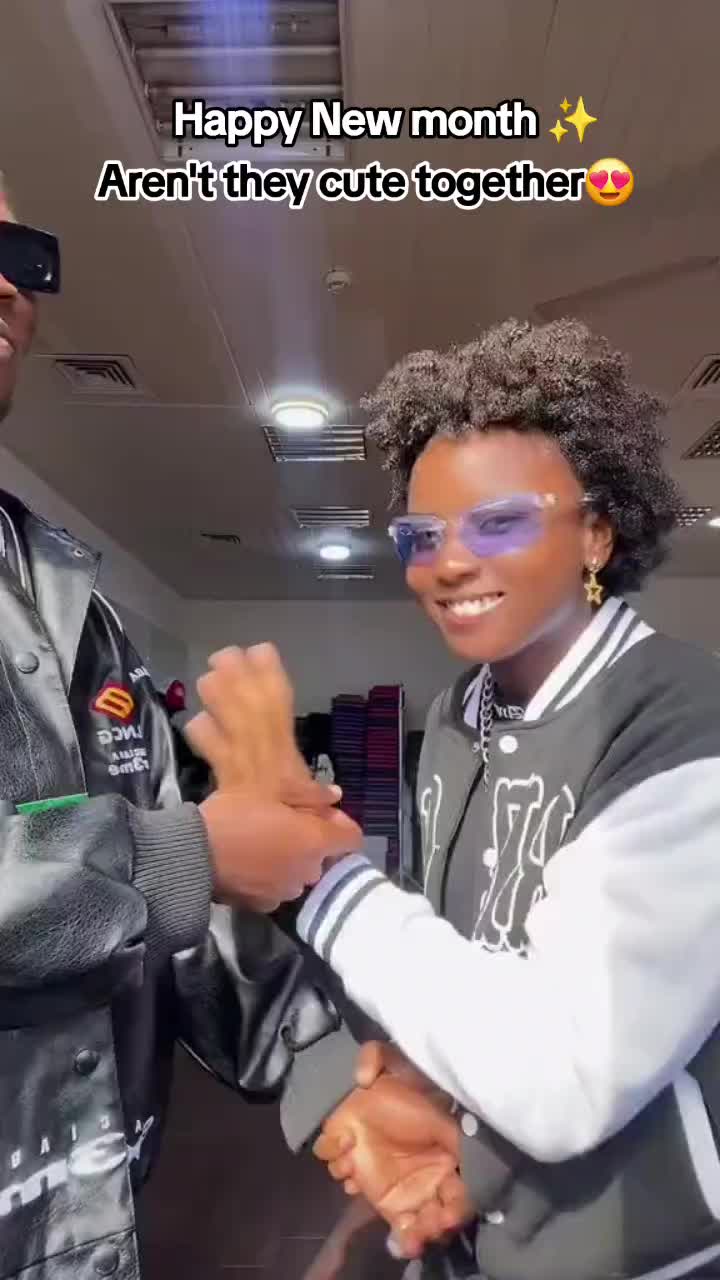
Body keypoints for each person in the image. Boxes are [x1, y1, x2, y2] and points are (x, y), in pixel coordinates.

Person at [196, 320, 720, 1280]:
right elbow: (451, 952)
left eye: (499, 522)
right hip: (479, 1233)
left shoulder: (686, 718)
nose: (445, 564)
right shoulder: (455, 715)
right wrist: (406, 1094)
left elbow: (565, 1074)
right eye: (420, 535)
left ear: (597, 532)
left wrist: (319, 882)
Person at [0, 178, 365, 1279]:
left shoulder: (72, 601)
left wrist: (350, 1079)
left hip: (87, 1234)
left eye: (22, 253)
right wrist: (192, 852)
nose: (8, 286)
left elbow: (186, 922)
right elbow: (178, 860)